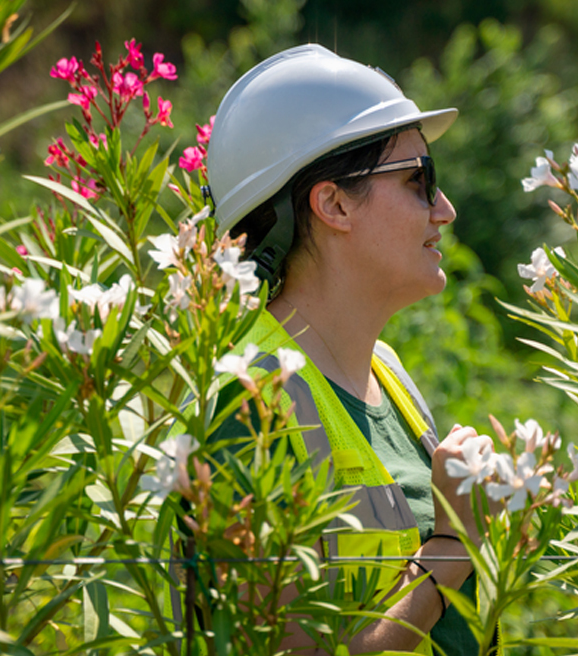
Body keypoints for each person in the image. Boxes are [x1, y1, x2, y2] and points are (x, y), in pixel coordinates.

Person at [205, 44, 493, 655]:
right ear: (333, 203)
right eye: (420, 180)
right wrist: (451, 547)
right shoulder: (253, 397)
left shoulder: (384, 371)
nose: (445, 209)